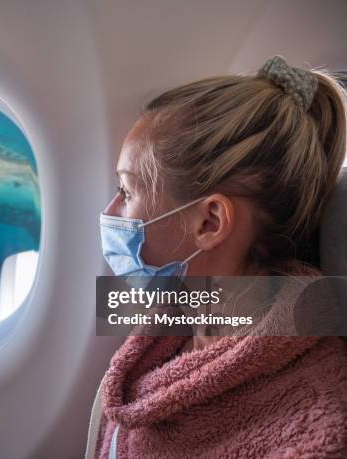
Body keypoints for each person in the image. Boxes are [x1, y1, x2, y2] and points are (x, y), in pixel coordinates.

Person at [87, 56, 347, 458]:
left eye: (126, 192)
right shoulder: (169, 337)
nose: (109, 214)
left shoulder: (313, 416)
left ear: (209, 223)